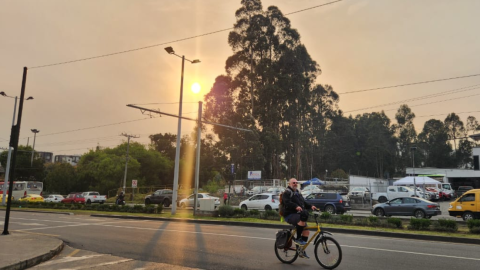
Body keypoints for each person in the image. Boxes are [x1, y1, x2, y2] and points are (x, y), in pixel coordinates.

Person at [282, 178, 318, 259]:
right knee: (302, 219)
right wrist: (296, 206)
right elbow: (287, 202)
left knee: (306, 231)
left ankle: (300, 250)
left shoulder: (297, 192)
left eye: (296, 183)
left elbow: (303, 202)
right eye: (293, 182)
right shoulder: (287, 192)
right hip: (290, 214)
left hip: (298, 214)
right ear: (289, 184)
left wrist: (311, 206)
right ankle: (298, 239)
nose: (295, 184)